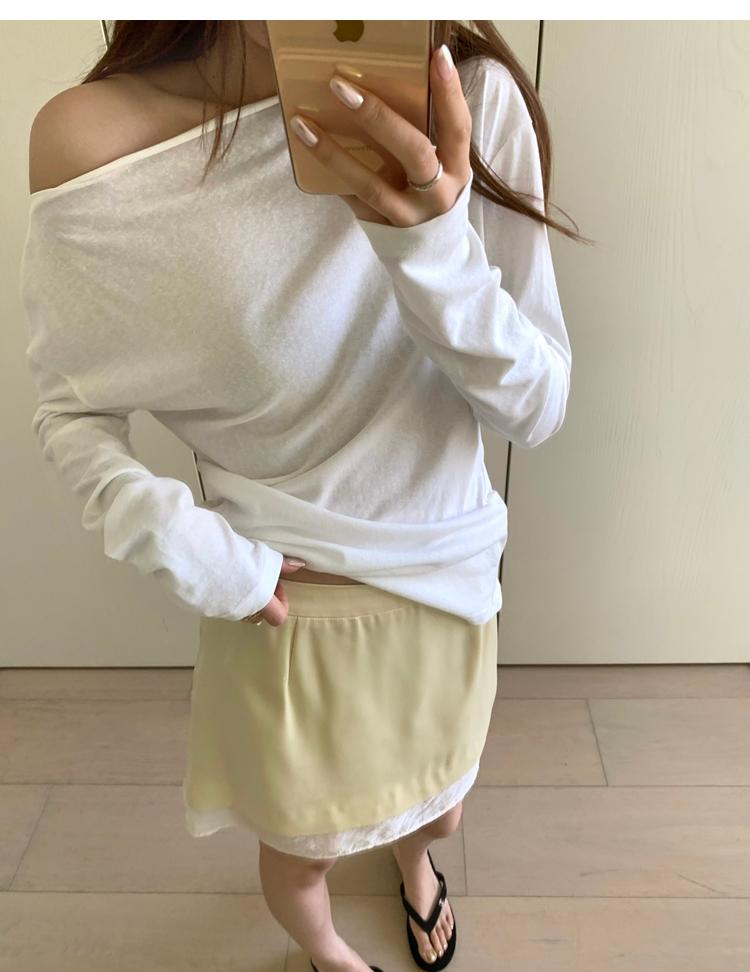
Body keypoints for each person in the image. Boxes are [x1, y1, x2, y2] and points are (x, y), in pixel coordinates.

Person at [20, 20, 580, 972]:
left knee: (438, 807)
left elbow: (537, 407)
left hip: (451, 569)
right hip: (282, 605)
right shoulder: (100, 141)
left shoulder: (466, 91)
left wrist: (432, 245)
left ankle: (412, 864)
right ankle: (324, 949)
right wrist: (184, 545)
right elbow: (71, 410)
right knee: (304, 848)